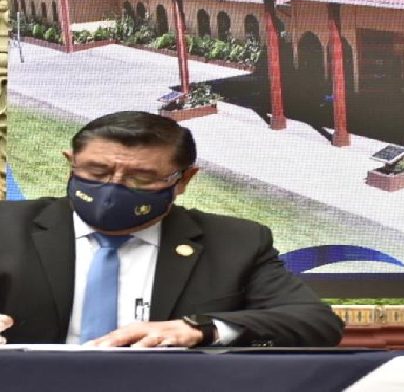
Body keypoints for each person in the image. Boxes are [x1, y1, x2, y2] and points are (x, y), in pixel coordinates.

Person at [0, 111, 344, 347]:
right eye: (96, 171)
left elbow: (314, 322)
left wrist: (201, 329)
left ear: (184, 180)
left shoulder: (236, 242)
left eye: (142, 177)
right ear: (70, 163)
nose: (113, 188)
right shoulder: (6, 226)